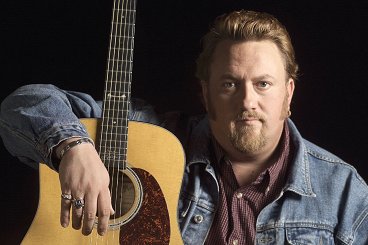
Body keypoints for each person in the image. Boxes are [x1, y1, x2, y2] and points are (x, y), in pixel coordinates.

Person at [1, 9, 367, 244]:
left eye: (263, 84)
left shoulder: (345, 193)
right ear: (205, 93)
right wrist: (72, 147)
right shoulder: (154, 139)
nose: (247, 101)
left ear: (288, 93)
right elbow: (25, 104)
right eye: (229, 84)